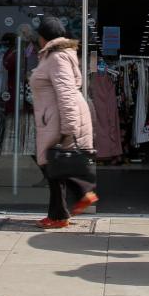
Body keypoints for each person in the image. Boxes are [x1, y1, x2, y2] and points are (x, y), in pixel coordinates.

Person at [31, 16, 97, 229]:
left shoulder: (57, 57)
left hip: (60, 118)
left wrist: (69, 127)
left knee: (53, 165)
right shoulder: (52, 55)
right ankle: (63, 211)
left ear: (43, 37)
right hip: (54, 117)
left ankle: (78, 197)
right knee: (53, 166)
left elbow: (66, 92)